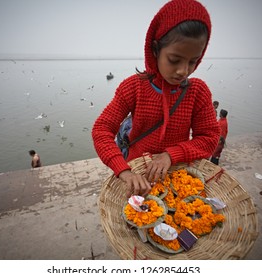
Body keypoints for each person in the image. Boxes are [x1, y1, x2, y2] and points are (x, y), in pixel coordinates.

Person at [92, 0, 220, 198]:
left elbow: (209, 138)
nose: (183, 71)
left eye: (193, 61)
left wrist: (171, 155)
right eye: (174, 60)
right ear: (155, 50)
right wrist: (124, 171)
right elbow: (101, 130)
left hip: (178, 178)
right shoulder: (133, 87)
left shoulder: (198, 92)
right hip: (137, 177)